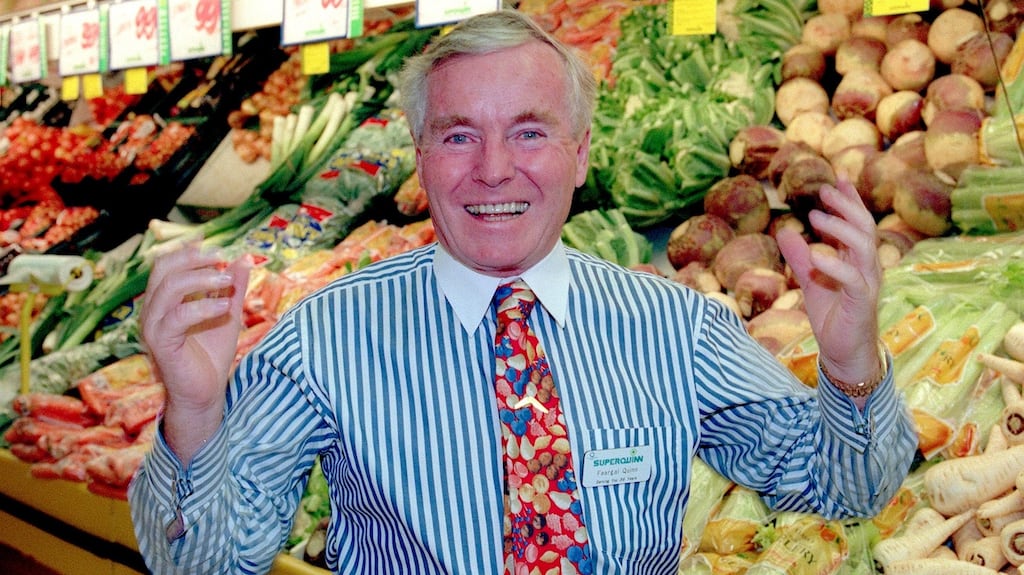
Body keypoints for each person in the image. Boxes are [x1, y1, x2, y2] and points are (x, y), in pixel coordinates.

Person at [129, 9, 918, 575]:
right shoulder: (323, 336)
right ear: (421, 155)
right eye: (459, 134)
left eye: (531, 132)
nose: (495, 168)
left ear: (579, 155)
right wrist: (195, 415)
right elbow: (201, 561)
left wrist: (850, 363)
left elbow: (846, 488)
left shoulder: (678, 328)